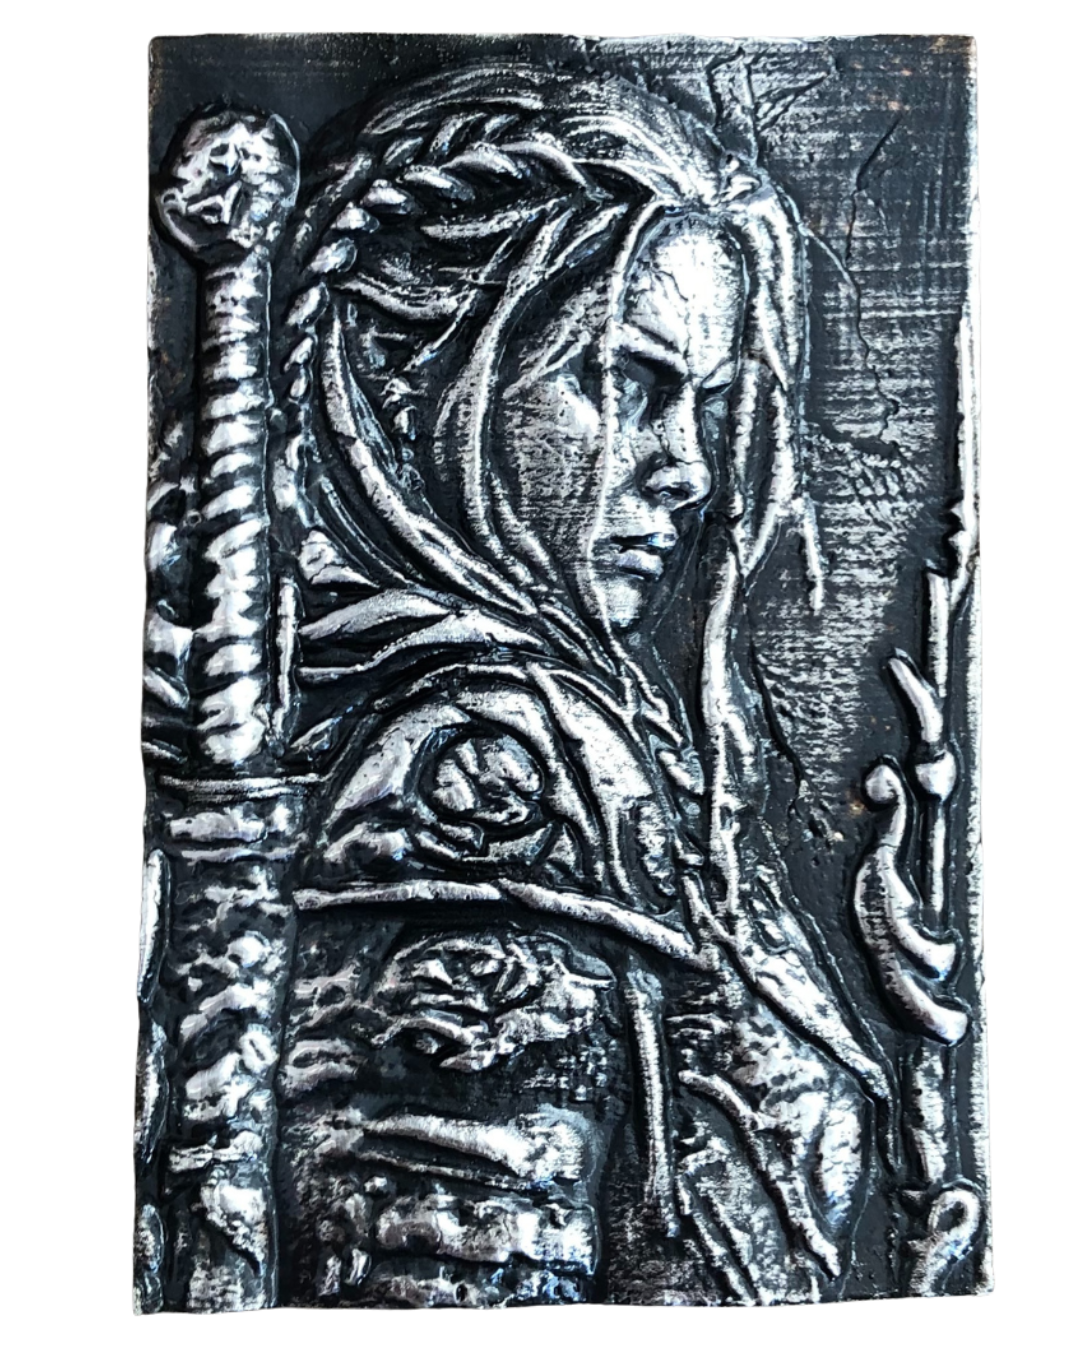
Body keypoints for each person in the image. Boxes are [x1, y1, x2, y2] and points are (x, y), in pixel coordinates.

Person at [271, 62, 889, 1308]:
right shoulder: (491, 764)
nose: (689, 471)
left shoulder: (563, 725)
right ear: (415, 373)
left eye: (708, 405)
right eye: (630, 384)